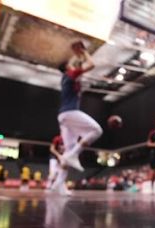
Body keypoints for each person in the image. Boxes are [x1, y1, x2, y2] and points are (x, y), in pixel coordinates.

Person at [52, 41, 103, 194]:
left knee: (67, 152)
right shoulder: (71, 74)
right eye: (70, 65)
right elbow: (92, 64)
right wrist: (84, 51)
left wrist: (77, 55)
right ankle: (74, 154)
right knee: (97, 130)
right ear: (68, 68)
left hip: (64, 117)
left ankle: (58, 185)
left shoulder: (67, 77)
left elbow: (77, 63)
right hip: (69, 113)